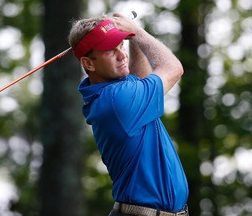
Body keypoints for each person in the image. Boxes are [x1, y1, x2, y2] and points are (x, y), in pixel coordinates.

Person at [68, 12, 189, 216]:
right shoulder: (117, 100)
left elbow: (139, 79)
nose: (121, 55)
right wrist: (138, 33)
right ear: (89, 64)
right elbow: (173, 68)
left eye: (120, 45)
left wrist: (131, 39)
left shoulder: (114, 88)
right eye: (109, 51)